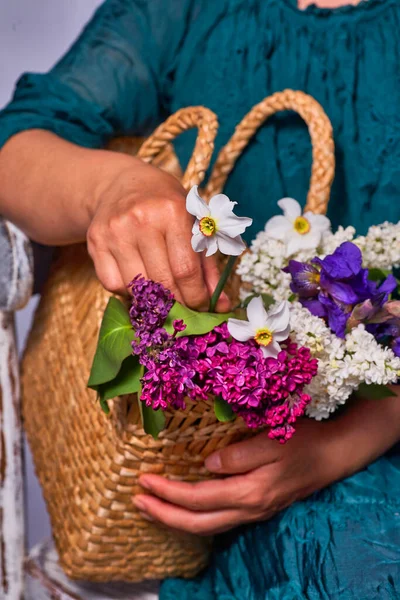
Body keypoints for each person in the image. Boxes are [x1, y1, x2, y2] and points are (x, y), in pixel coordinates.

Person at [1, 0, 399, 597]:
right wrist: (116, 186)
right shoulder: (183, 10)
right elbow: (17, 148)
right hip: (225, 445)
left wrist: (347, 441)